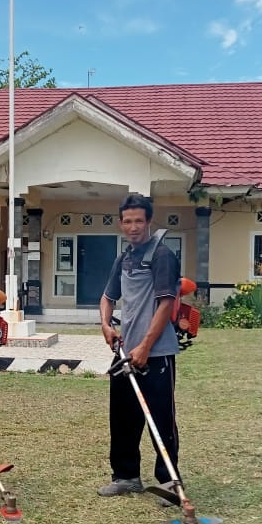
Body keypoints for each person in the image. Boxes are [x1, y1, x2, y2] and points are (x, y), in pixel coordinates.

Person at [98, 193, 181, 498]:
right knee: (122, 417)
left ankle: (169, 480)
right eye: (128, 221)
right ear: (121, 223)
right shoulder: (124, 258)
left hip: (156, 353)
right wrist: (106, 325)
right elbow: (108, 297)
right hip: (125, 352)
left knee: (160, 418)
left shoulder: (162, 256)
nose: (133, 227)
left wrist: (146, 345)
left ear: (148, 222)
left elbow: (165, 304)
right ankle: (126, 476)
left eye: (139, 221)